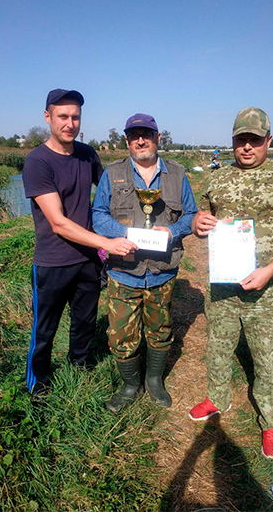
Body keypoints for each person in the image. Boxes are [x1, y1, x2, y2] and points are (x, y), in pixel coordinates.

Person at [188, 107, 273, 460]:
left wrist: (270, 269)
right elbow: (202, 219)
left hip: (267, 287)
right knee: (218, 345)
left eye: (255, 140)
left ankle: (272, 423)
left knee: (269, 356)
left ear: (268, 141)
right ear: (232, 141)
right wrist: (199, 223)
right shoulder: (216, 179)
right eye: (241, 140)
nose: (247, 147)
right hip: (223, 286)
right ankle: (218, 398)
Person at [22, 89, 137, 395]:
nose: (70, 123)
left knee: (85, 321)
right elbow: (58, 223)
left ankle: (79, 371)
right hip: (52, 261)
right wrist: (108, 242)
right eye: (63, 116)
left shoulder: (88, 155)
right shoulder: (37, 161)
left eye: (75, 117)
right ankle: (38, 387)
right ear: (48, 117)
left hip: (87, 260)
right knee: (44, 330)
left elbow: (113, 192)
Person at [92, 113, 198, 413]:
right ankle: (129, 384)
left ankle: (154, 380)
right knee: (121, 333)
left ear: (158, 138)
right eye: (134, 135)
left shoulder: (177, 175)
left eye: (147, 134)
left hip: (163, 271)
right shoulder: (112, 173)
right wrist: (123, 233)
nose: (141, 140)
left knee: (160, 327)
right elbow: (97, 214)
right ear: (127, 141)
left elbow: (191, 215)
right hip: (124, 270)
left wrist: (173, 230)